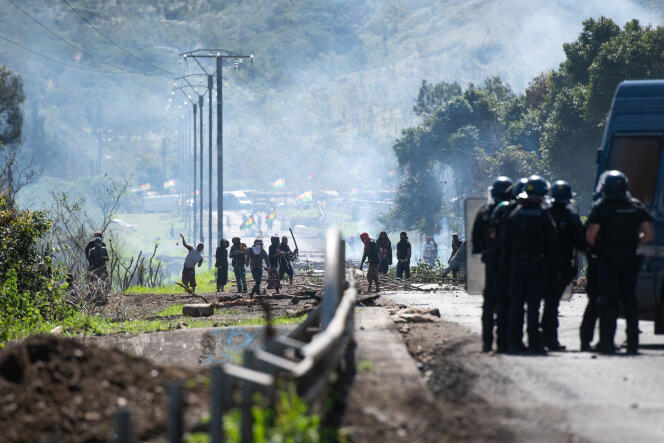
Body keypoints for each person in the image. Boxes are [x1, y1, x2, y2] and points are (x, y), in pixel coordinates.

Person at [586, 170, 654, 354]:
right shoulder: (635, 206)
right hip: (629, 259)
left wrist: (601, 247)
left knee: (608, 300)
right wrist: (634, 243)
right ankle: (633, 342)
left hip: (608, 261)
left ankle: (606, 342)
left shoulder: (601, 206)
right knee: (630, 300)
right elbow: (649, 234)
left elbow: (591, 235)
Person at [500, 175, 557, 354]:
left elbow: (504, 243)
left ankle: (513, 343)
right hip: (537, 266)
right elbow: (553, 245)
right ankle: (534, 343)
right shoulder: (544, 215)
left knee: (516, 305)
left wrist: (507, 267)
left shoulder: (514, 214)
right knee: (533, 306)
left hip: (516, 265)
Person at [541, 181, 586, 351]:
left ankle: (535, 339)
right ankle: (550, 340)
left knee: (534, 303)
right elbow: (582, 245)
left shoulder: (543, 214)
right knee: (552, 305)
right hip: (563, 267)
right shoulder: (571, 218)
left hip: (541, 265)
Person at [472, 176, 512, 352]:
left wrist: (487, 250)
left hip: (491, 263)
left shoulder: (484, 212)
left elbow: (476, 242)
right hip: (511, 265)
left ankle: (487, 343)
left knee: (489, 303)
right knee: (507, 302)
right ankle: (503, 343)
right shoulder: (515, 211)